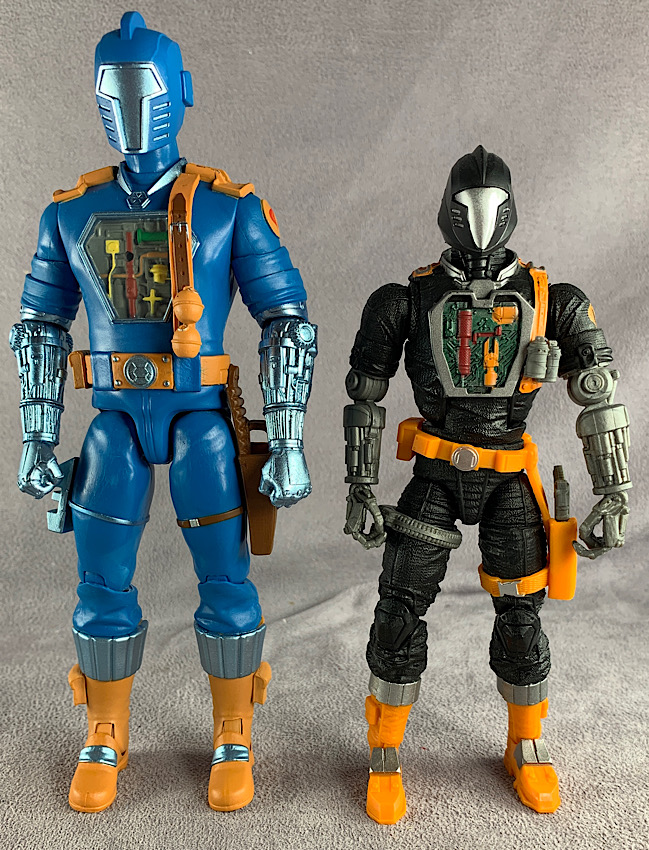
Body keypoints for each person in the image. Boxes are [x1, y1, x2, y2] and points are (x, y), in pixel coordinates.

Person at [10, 12, 316, 813]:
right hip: (113, 420)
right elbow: (39, 324)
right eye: (110, 93)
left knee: (225, 577)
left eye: (143, 91)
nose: (128, 110)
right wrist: (37, 436)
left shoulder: (227, 205)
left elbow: (286, 320)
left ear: (179, 92)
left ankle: (233, 730)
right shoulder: (70, 211)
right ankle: (104, 730)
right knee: (100, 580)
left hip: (199, 421)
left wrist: (286, 439)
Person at [343, 145, 630, 823]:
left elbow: (598, 393)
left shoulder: (552, 300)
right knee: (398, 608)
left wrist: (614, 490)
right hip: (435, 474)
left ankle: (525, 744)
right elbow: (365, 395)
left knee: (522, 616)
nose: (478, 222)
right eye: (465, 207)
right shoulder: (404, 299)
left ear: (510, 211)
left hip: (509, 480)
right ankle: (385, 750)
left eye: (492, 207)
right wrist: (359, 485)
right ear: (446, 210)